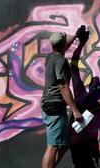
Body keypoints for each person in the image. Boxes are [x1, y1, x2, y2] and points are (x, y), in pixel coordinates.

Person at [41, 27, 85, 168]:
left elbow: (62, 48)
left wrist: (77, 36)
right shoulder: (61, 61)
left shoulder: (50, 58)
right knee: (53, 146)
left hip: (47, 104)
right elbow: (63, 86)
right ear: (62, 44)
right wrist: (75, 110)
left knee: (64, 143)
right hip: (55, 107)